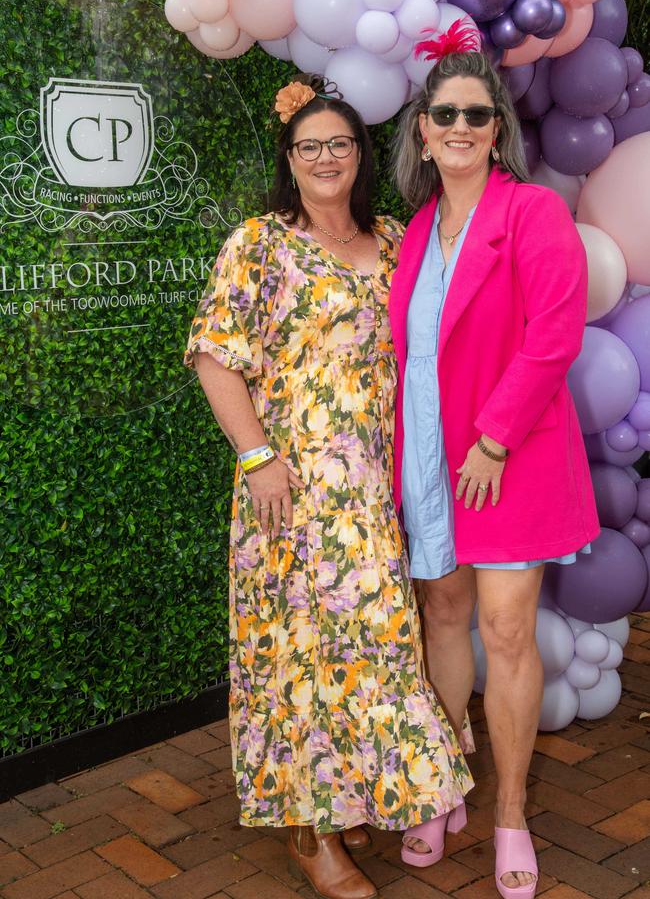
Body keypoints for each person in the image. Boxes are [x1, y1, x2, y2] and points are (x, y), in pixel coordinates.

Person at [184, 76, 473, 899]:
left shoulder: (393, 239)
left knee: (374, 648)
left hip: (373, 495)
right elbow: (214, 354)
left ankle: (343, 793)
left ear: (361, 155)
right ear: (289, 157)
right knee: (295, 658)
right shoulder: (259, 243)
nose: (324, 157)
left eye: (339, 143)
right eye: (309, 145)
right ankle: (308, 834)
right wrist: (255, 457)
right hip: (289, 493)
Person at [389, 35, 599, 899]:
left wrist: (495, 437)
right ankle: (446, 789)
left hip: (502, 457)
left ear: (496, 129)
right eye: (448, 114)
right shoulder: (411, 234)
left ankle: (510, 811)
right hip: (428, 462)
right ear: (424, 134)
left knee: (507, 632)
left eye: (479, 112)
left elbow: (554, 333)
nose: (463, 125)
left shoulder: (532, 214)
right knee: (442, 616)